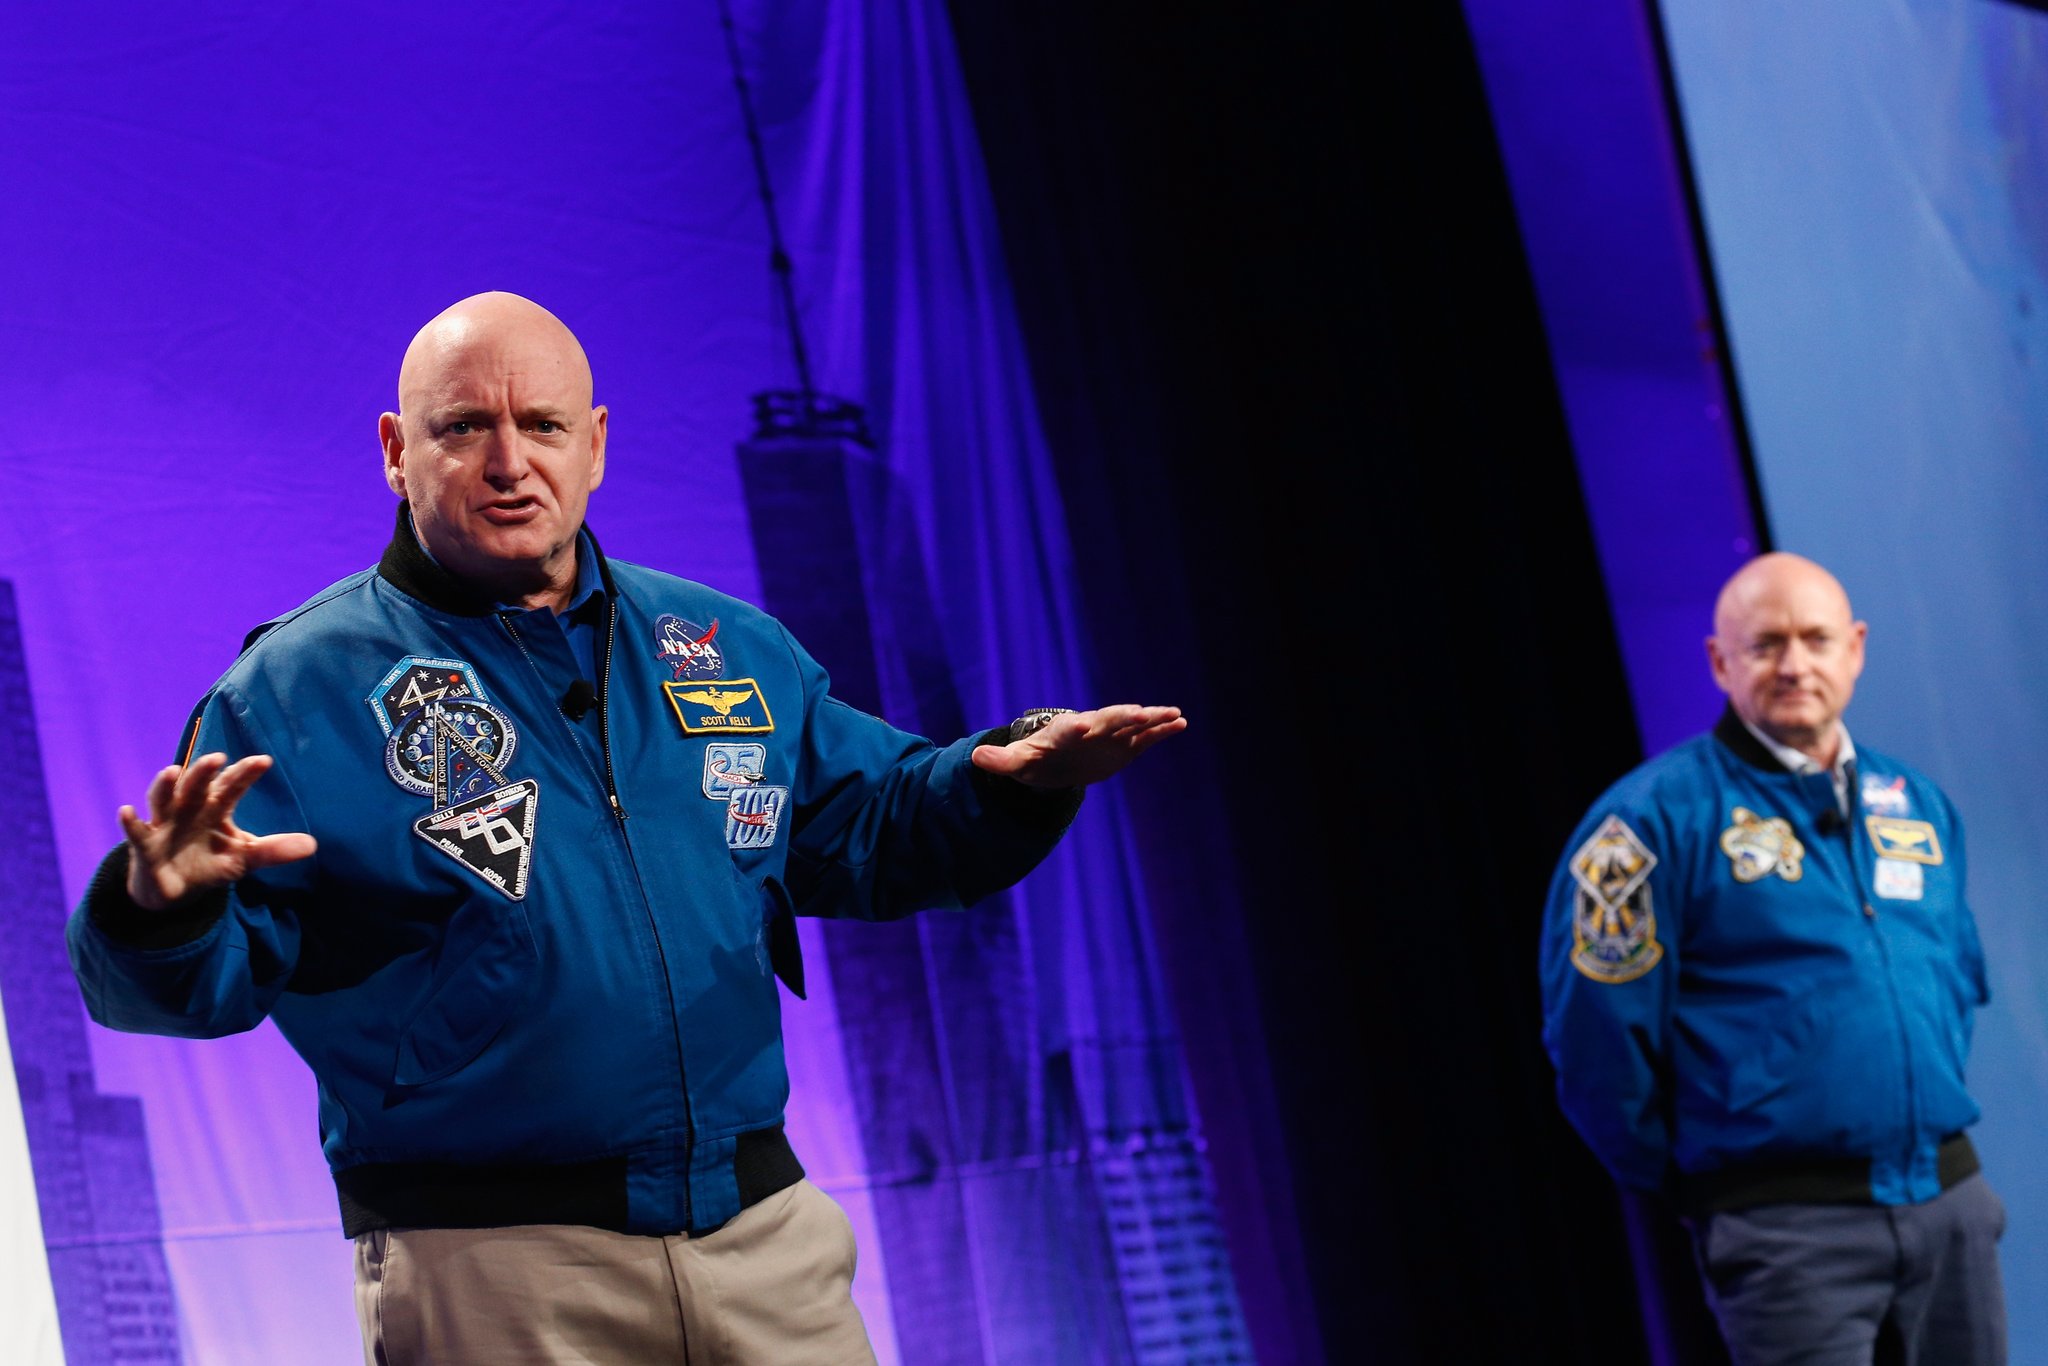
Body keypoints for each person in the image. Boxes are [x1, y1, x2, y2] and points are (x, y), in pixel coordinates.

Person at [66, 291, 1186, 1364]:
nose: (510, 461)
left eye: (541, 423)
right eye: (463, 427)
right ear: (396, 451)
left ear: (593, 443)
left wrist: (1007, 778)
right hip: (493, 1270)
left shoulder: (719, 644)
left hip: (764, 1241)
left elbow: (876, 821)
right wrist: (159, 904)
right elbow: (184, 987)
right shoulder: (293, 694)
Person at [1540, 553, 2005, 1366]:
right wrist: (1709, 1181)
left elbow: (1953, 983)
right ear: (1721, 662)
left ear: (1854, 649)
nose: (1795, 665)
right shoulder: (1648, 825)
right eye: (1766, 645)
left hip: (1948, 1203)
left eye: (1816, 639)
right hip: (1787, 1229)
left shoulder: (1919, 805)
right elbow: (1596, 1042)